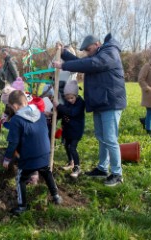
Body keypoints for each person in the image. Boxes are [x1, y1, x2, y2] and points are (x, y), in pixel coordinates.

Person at [53, 33, 127, 187]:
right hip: (101, 102)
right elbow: (83, 62)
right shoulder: (99, 55)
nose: (87, 52)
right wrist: (64, 53)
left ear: (97, 44)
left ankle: (117, 173)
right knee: (101, 137)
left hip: (110, 102)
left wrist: (63, 65)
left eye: (88, 49)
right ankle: (102, 168)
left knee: (110, 139)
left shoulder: (109, 52)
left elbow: (91, 64)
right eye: (85, 50)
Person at [2, 90, 62, 215]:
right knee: (46, 172)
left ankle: (22, 206)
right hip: (45, 152)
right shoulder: (40, 113)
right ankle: (56, 196)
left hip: (29, 157)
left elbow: (13, 143)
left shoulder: (16, 120)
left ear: (14, 106)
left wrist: (7, 158)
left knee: (20, 178)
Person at [53, 80, 85, 179]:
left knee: (72, 148)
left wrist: (58, 105)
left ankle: (77, 167)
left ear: (76, 95)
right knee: (67, 145)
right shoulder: (67, 102)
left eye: (72, 98)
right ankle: (70, 162)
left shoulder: (80, 103)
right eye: (67, 98)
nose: (70, 100)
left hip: (76, 130)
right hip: (67, 129)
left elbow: (72, 112)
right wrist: (54, 116)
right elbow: (63, 113)